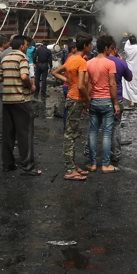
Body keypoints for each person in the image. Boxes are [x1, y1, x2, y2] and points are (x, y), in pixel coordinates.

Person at [0, 35, 40, 175]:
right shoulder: (22, 57)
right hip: (21, 100)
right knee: (25, 134)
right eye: (26, 45)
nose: (27, 47)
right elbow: (24, 76)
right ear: (22, 46)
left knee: (8, 134)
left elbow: (0, 78)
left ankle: (8, 164)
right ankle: (27, 166)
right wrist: (31, 86)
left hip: (7, 100)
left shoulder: (5, 58)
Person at [52, 33, 92, 181]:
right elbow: (81, 85)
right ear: (85, 46)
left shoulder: (71, 59)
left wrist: (69, 80)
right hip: (76, 99)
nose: (91, 47)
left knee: (72, 133)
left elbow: (55, 72)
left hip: (71, 97)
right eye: (90, 45)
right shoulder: (81, 61)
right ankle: (70, 169)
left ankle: (73, 166)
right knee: (70, 135)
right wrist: (88, 100)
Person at [85, 35, 120, 173]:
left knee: (93, 132)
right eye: (110, 47)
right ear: (106, 48)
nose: (111, 50)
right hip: (106, 102)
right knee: (106, 134)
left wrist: (87, 102)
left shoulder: (89, 63)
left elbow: (88, 84)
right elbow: (112, 84)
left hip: (93, 101)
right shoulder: (110, 63)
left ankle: (93, 163)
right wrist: (116, 103)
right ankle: (105, 165)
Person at [107, 41, 133, 161]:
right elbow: (129, 78)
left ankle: (92, 153)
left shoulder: (98, 61)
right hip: (117, 98)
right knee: (115, 126)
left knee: (97, 126)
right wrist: (122, 61)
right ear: (114, 50)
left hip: (101, 97)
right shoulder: (120, 62)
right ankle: (115, 153)